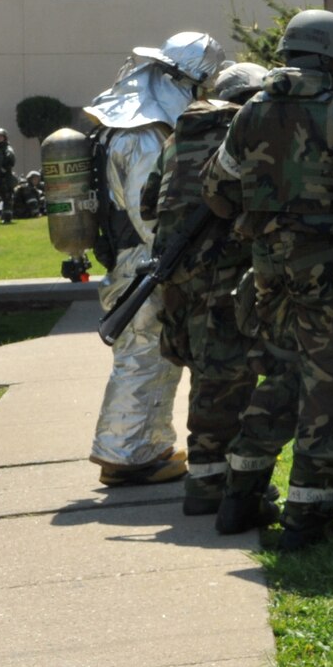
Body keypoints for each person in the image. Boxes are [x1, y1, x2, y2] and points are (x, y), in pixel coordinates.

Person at [202, 10, 333, 550]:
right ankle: (309, 519)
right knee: (332, 392)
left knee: (284, 381)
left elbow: (217, 192)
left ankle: (238, 497)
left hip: (270, 279)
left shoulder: (250, 114)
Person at [85, 32, 227, 487]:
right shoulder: (144, 135)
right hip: (145, 260)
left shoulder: (129, 127)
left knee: (151, 357)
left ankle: (145, 445)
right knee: (145, 357)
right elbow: (151, 212)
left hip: (137, 258)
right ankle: (126, 455)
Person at [140, 61, 270, 518]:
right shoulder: (245, 134)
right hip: (225, 272)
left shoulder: (178, 136)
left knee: (206, 375)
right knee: (229, 378)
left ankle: (209, 476)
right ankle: (213, 483)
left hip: (179, 277)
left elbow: (147, 201)